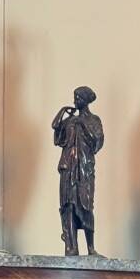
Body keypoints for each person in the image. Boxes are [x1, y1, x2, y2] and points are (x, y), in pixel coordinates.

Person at [52, 86, 104, 255]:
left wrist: (83, 124)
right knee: (68, 205)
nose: (75, 100)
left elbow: (97, 142)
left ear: (86, 100)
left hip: (84, 169)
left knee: (85, 205)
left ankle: (91, 247)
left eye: (78, 97)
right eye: (74, 97)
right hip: (68, 167)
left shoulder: (94, 120)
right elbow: (56, 130)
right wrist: (63, 112)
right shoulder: (70, 121)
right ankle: (71, 246)